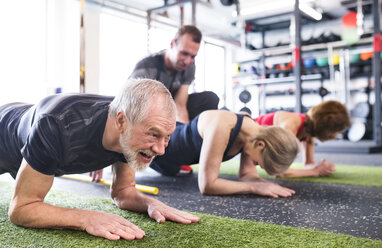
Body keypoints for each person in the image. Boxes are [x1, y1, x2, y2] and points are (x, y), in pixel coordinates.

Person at [0, 79, 200, 241]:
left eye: (167, 137)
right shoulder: (56, 124)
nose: (160, 150)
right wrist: (86, 218)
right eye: (153, 135)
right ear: (121, 121)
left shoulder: (131, 126)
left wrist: (149, 203)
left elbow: (123, 192)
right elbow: (21, 209)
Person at [149, 110, 300, 198]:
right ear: (261, 146)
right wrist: (255, 188)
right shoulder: (222, 126)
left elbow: (247, 175)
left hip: (174, 166)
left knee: (174, 172)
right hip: (154, 151)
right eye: (258, 163)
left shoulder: (253, 135)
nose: (254, 165)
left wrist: (267, 185)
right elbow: (208, 185)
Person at [129, 25, 219, 124]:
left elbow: (180, 104)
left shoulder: (189, 66)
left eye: (193, 56)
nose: (187, 61)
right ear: (172, 44)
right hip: (146, 110)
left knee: (210, 98)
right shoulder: (147, 67)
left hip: (170, 108)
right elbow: (133, 105)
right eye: (184, 53)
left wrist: (184, 132)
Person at [254, 100, 351, 178]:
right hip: (243, 139)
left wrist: (319, 167)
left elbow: (308, 164)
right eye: (336, 131)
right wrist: (315, 171)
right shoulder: (289, 127)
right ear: (326, 127)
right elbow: (279, 171)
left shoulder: (309, 132)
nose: (335, 136)